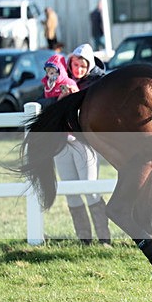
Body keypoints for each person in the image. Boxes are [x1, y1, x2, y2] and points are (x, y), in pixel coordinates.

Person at [60, 43, 112, 246]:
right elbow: (43, 102)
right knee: (70, 192)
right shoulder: (59, 79)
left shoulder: (98, 83)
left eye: (83, 66)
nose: (78, 69)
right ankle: (84, 240)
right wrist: (60, 98)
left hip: (84, 142)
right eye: (75, 64)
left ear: (89, 66)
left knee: (91, 189)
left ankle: (104, 238)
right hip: (62, 142)